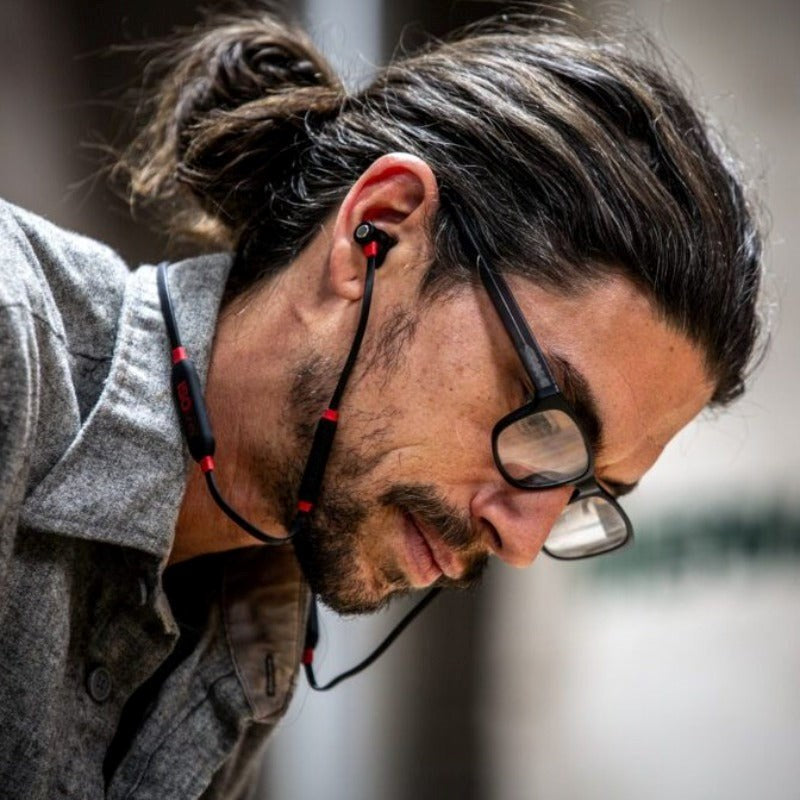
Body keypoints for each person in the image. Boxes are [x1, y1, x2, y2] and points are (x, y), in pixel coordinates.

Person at [0, 8, 763, 800]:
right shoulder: (10, 343)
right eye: (550, 424)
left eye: (586, 491)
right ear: (380, 229)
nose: (522, 541)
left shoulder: (249, 633)